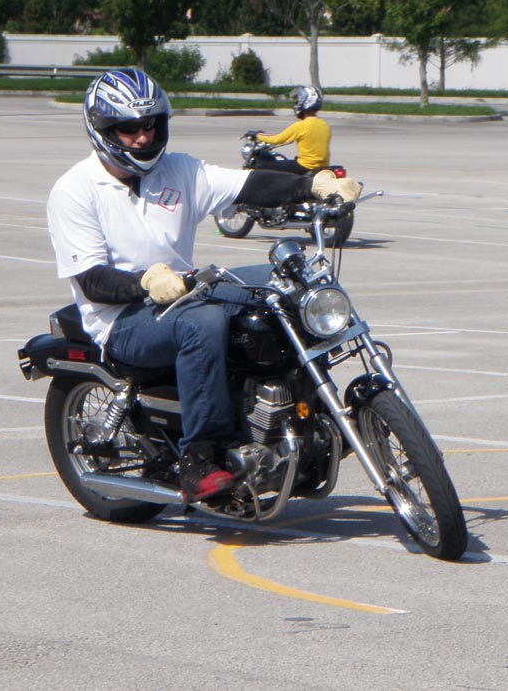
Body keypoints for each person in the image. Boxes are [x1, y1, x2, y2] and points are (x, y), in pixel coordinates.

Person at [45, 68, 360, 503]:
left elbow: (248, 184)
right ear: (102, 129)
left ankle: (312, 412)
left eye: (151, 124)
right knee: (204, 323)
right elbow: (91, 280)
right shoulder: (75, 191)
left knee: (294, 282)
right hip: (122, 319)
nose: (142, 136)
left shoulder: (179, 170)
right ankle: (200, 457)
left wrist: (312, 184)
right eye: (128, 128)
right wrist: (145, 282)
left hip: (185, 292)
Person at [253, 85, 331, 175]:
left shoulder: (302, 125)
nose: (296, 104)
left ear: (304, 102)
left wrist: (257, 135)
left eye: (297, 101)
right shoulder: (324, 125)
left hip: (305, 166)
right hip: (323, 167)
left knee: (263, 165)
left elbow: (276, 139)